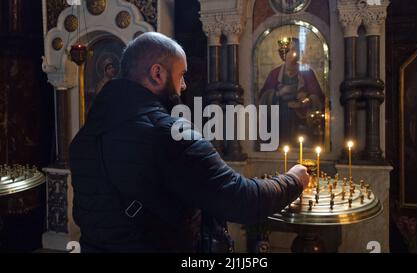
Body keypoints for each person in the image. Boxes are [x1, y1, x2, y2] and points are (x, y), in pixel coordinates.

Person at [69, 32, 310, 253]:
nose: (184, 85)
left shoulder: (85, 136)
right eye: (181, 75)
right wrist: (294, 179)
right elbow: (243, 201)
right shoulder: (170, 133)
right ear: (157, 73)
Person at [258, 37, 325, 146]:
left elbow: (318, 96)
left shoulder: (307, 72)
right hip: (279, 120)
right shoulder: (274, 74)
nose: (294, 53)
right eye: (291, 49)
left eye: (296, 49)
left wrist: (303, 102)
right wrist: (279, 94)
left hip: (301, 119)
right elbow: (263, 98)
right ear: (283, 53)